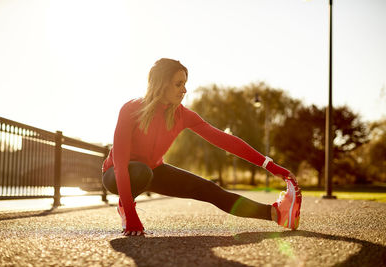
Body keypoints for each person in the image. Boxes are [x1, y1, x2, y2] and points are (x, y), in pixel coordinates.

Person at [102, 58, 302, 236]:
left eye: (185, 84)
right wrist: (130, 213)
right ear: (161, 84)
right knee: (141, 171)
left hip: (153, 171)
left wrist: (271, 166)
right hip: (116, 174)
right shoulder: (131, 109)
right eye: (178, 84)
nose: (184, 90)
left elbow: (225, 140)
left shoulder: (182, 115)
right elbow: (120, 164)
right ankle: (124, 207)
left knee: (209, 189)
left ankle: (277, 214)